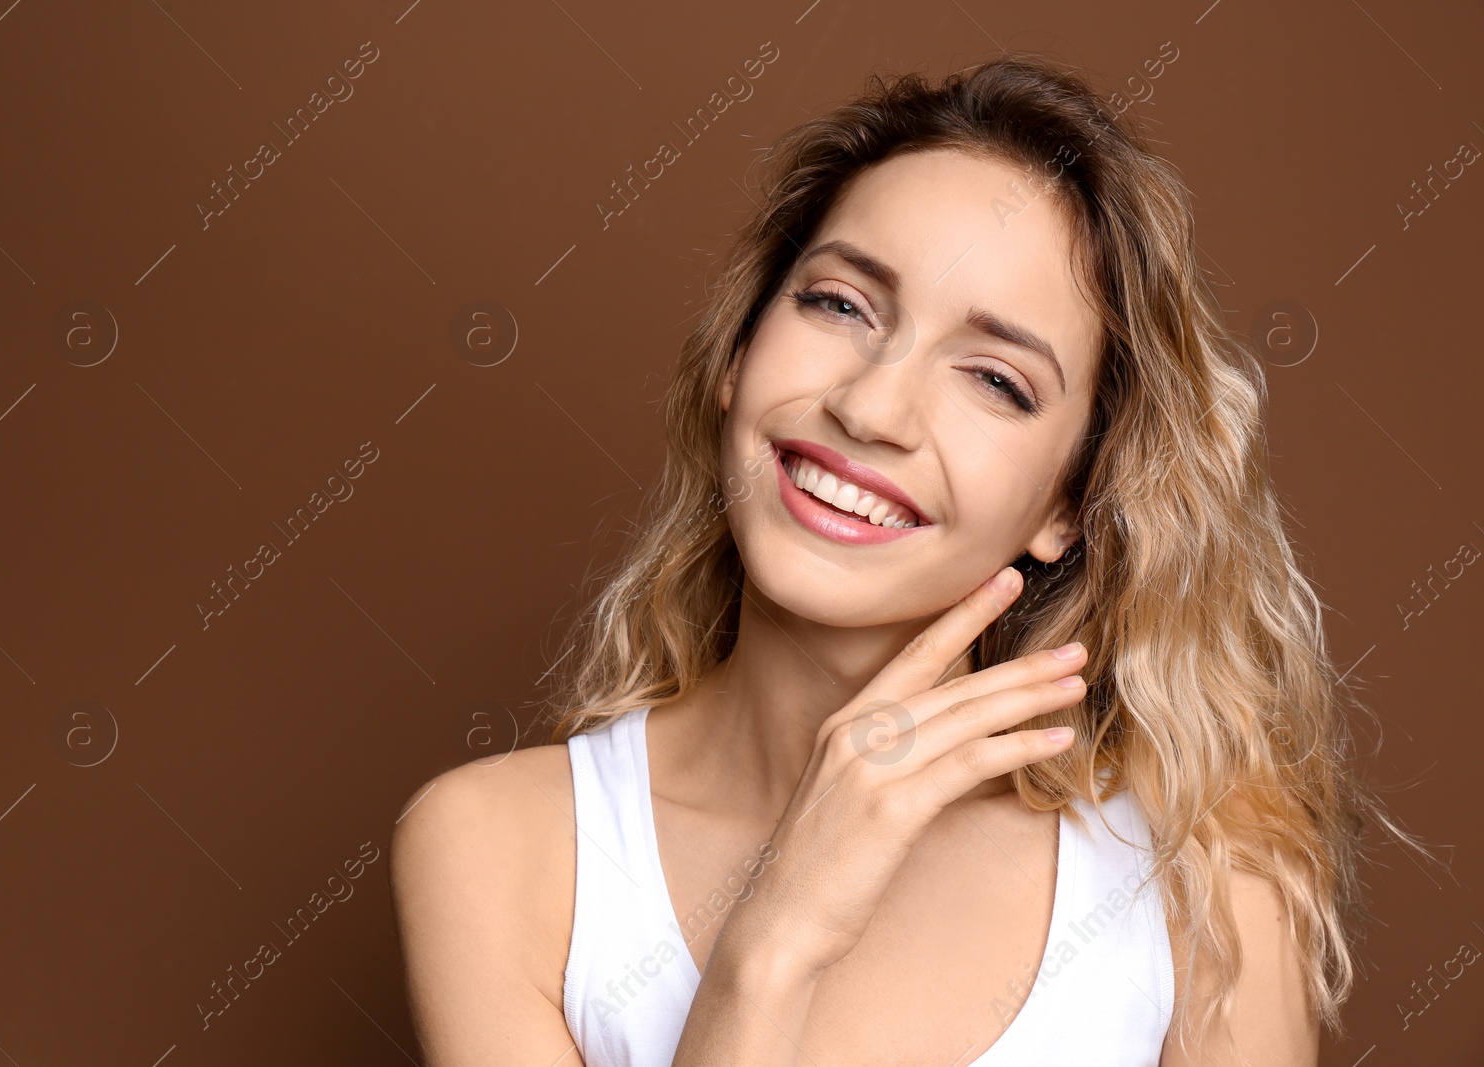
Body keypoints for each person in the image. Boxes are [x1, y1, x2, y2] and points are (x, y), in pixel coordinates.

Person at [390, 53, 1398, 1065]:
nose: (869, 407)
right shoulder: (497, 850)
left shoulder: (1203, 881)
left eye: (996, 379)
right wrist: (775, 937)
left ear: (1069, 501)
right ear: (736, 354)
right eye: (839, 305)